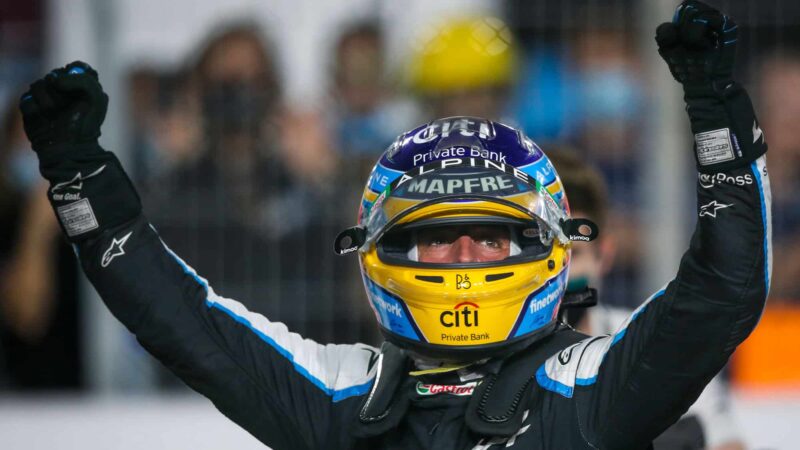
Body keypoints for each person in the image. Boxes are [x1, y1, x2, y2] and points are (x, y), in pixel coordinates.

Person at [18, 2, 770, 448]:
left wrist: (718, 121)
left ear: (552, 247)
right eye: (436, 235)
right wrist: (82, 182)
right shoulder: (343, 396)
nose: (468, 255)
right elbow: (183, 323)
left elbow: (722, 292)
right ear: (378, 252)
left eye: (495, 234)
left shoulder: (599, 385)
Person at [550, 149, 746, 450]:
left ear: (605, 255)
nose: (559, 278)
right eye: (546, 259)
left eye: (572, 256)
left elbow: (727, 444)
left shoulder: (664, 343)